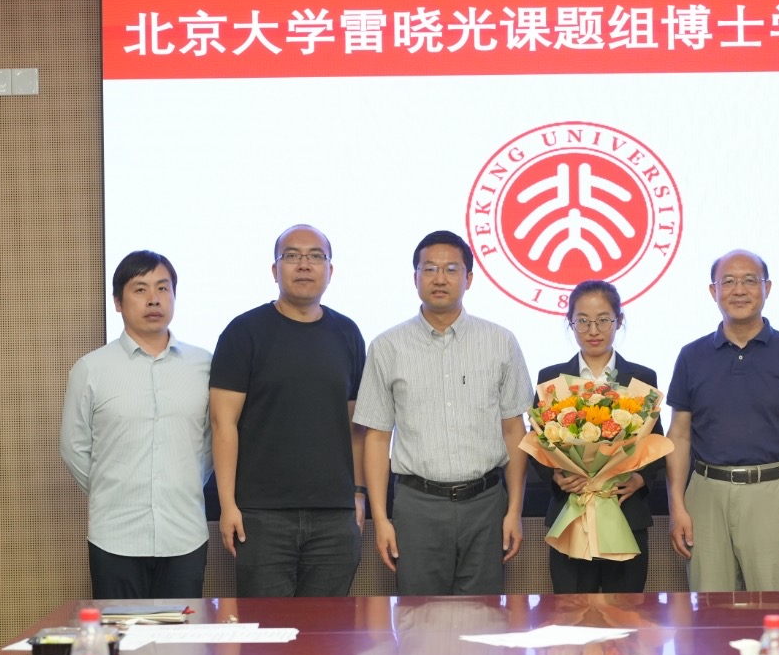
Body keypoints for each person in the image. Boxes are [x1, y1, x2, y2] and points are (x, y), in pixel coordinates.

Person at [356, 230, 532, 596]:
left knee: (486, 619)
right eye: (430, 269)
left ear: (469, 278)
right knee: (418, 619)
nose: (440, 278)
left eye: (451, 269)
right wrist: (381, 519)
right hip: (417, 507)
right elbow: (377, 437)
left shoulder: (500, 341)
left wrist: (514, 510)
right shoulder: (387, 346)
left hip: (486, 505)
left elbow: (514, 431)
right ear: (415, 277)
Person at [209, 224, 366, 597]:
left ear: (330, 270)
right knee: (267, 628)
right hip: (262, 516)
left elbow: (356, 425)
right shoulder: (244, 332)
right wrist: (227, 505)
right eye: (292, 256)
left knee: (328, 629)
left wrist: (358, 494)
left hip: (334, 516)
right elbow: (222, 423)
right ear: (274, 269)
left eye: (316, 256)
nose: (304, 265)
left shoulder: (347, 333)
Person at [666, 249, 779, 591]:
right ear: (714, 291)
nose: (739, 290)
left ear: (768, 288)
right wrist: (677, 506)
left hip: (774, 493)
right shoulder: (691, 356)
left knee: (776, 609)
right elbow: (678, 436)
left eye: (750, 281)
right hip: (706, 496)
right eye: (728, 281)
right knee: (709, 611)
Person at [60, 250, 212, 599]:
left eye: (163, 288)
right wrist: (111, 488)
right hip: (115, 535)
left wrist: (184, 481)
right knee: (119, 632)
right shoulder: (91, 368)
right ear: (118, 302)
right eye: (140, 289)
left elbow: (209, 444)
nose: (154, 299)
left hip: (184, 533)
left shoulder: (204, 365)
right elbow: (74, 447)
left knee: (181, 632)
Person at [533, 280, 665, 594]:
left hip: (624, 510)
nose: (593, 330)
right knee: (572, 613)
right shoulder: (551, 379)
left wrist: (640, 479)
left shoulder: (641, 378)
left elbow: (656, 441)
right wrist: (556, 476)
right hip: (571, 514)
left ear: (619, 321)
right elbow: (538, 441)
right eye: (583, 321)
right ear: (570, 322)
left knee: (626, 614)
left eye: (603, 320)